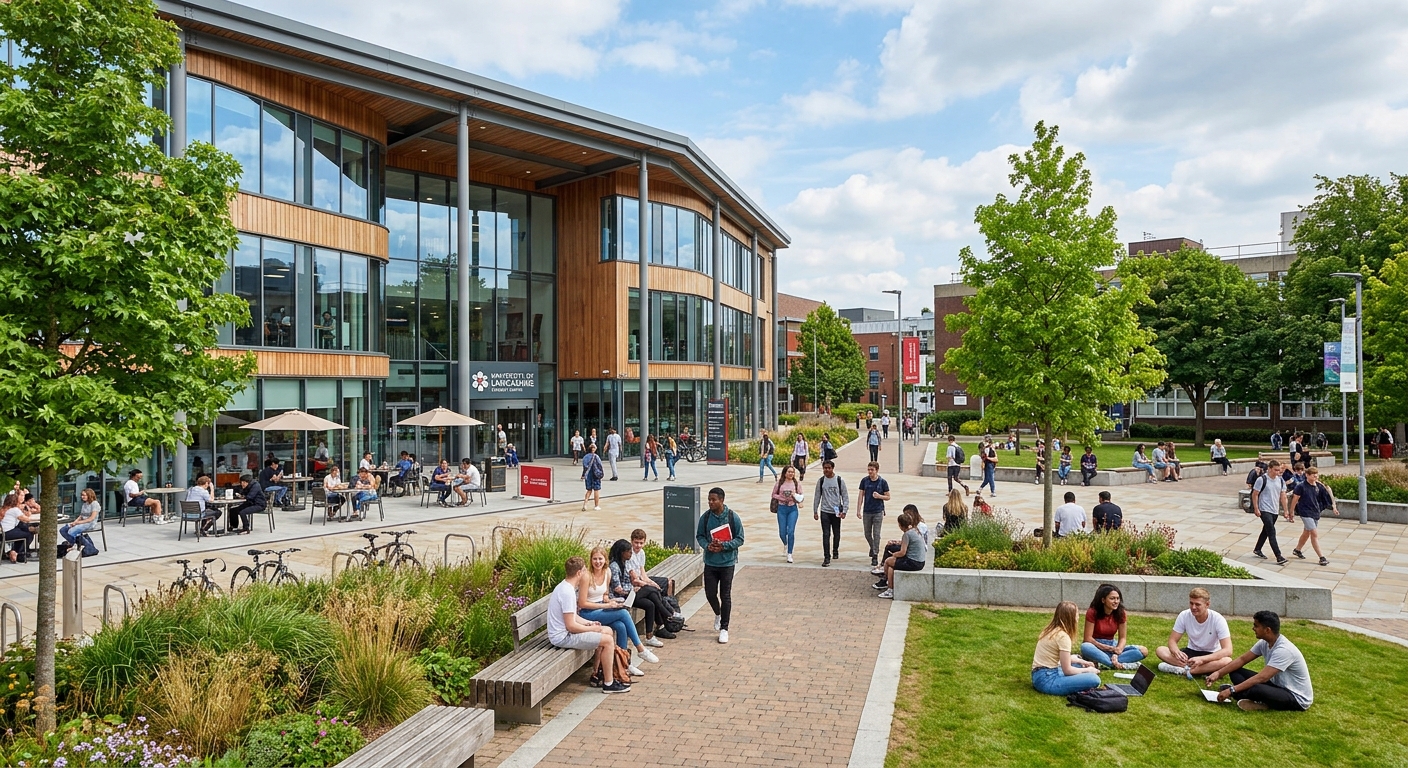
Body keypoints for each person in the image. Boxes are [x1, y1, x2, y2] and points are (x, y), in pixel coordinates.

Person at [548, 556, 629, 694]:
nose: (586, 572)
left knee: (608, 630)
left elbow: (572, 616)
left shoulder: (566, 586)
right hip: (562, 637)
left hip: (567, 632)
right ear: (579, 573)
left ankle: (598, 673)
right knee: (608, 640)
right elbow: (571, 626)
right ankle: (609, 684)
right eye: (584, 570)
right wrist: (592, 628)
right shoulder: (567, 592)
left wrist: (589, 623)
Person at [1206, 611, 1313, 711]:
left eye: (1256, 626)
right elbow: (1243, 659)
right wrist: (1218, 673)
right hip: (1276, 685)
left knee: (1257, 687)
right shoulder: (1264, 642)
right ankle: (1248, 696)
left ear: (1267, 630)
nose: (1253, 628)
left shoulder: (1284, 650)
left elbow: (1262, 677)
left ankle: (1250, 699)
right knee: (1235, 671)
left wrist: (1232, 690)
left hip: (1295, 697)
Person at [579, 546, 656, 676]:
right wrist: (605, 607)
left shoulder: (607, 572)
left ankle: (625, 665)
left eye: (600, 559)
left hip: (602, 608)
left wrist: (611, 602)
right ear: (591, 560)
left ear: (605, 560)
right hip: (587, 613)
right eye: (595, 559)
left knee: (621, 626)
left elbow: (604, 595)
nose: (598, 562)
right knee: (624, 613)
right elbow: (582, 603)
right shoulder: (587, 576)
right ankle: (640, 648)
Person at [695, 487, 743, 644]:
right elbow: (700, 536)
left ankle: (724, 628)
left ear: (722, 500)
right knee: (709, 593)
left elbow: (740, 539)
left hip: (727, 563)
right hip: (710, 562)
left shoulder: (732, 517)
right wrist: (707, 545)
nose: (710, 502)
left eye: (713, 500)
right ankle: (718, 613)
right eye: (709, 499)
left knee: (725, 595)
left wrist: (725, 545)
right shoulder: (706, 517)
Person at [1154, 587, 1234, 677]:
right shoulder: (1184, 615)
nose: (1193, 607)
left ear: (1207, 604)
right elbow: (1172, 641)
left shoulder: (1218, 619)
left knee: (1227, 661)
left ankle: (1186, 670)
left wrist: (1202, 659)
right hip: (1190, 652)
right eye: (1191, 603)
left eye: (1197, 604)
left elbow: (1228, 650)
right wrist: (1176, 652)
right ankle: (1198, 670)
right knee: (1160, 650)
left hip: (1210, 654)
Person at [1030, 601, 1102, 696]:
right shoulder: (1063, 637)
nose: (1078, 617)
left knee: (1079, 664)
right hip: (1047, 679)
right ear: (1071, 618)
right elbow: (1067, 670)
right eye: (1076, 615)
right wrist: (1088, 671)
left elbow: (1063, 658)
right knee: (1094, 679)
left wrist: (1082, 662)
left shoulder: (1051, 630)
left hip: (1039, 674)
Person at [609, 539, 671, 647]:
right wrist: (632, 590)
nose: (631, 553)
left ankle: (649, 636)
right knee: (650, 589)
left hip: (630, 593)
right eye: (629, 551)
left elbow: (634, 579)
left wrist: (635, 587)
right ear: (622, 552)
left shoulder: (625, 562)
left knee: (650, 604)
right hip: (622, 597)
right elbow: (617, 589)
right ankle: (667, 613)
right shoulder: (614, 566)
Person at [1079, 584, 1148, 670]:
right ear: (1103, 600)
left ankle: (1103, 663)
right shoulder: (1092, 612)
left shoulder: (1121, 613)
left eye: (1117, 598)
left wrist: (1117, 651)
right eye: (1112, 598)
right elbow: (1087, 638)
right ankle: (1117, 664)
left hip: (1113, 646)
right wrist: (1107, 648)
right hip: (1096, 646)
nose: (1116, 601)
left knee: (1143, 651)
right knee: (1085, 647)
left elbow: (1123, 638)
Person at [1289, 466, 1338, 566]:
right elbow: (1295, 499)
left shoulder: (1318, 486)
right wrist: (1291, 512)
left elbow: (1327, 497)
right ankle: (1321, 557)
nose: (1315, 476)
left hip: (1315, 512)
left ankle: (1297, 550)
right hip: (1305, 512)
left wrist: (1333, 507)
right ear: (1307, 475)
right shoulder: (1301, 486)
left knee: (1307, 532)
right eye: (1313, 475)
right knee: (1314, 533)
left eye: (1316, 474)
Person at [875, 512, 926, 599]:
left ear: (901, 525)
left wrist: (895, 555)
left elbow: (903, 552)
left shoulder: (906, 535)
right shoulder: (915, 530)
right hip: (920, 562)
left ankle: (888, 585)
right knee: (892, 566)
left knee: (888, 562)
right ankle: (889, 585)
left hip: (913, 562)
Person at [1251, 459, 1289, 564]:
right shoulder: (1262, 479)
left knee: (1266, 530)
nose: (1277, 472)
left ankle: (1257, 549)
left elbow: (1283, 496)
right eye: (1275, 470)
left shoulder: (1280, 480)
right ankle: (1279, 555)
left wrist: (1286, 511)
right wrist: (1256, 508)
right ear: (1270, 469)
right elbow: (1255, 494)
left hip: (1275, 510)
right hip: (1264, 509)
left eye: (1279, 470)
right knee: (1272, 532)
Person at [812, 459, 848, 567]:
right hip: (825, 511)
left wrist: (844, 510)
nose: (826, 470)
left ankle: (835, 550)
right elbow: (817, 496)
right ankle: (826, 557)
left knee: (836, 533)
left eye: (828, 468)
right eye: (825, 468)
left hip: (836, 512)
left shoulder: (839, 480)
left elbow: (845, 496)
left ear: (832, 468)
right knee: (826, 534)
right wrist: (815, 510)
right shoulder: (821, 481)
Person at [858, 461, 891, 567]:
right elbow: (861, 495)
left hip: (878, 511)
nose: (870, 472)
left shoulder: (882, 482)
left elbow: (888, 496)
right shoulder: (864, 481)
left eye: (872, 470)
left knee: (876, 534)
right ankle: (872, 547)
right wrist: (858, 509)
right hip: (867, 511)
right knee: (867, 533)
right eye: (868, 470)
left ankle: (875, 555)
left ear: (877, 470)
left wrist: (879, 496)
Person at [771, 464, 804, 563]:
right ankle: (785, 543)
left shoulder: (796, 483)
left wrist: (796, 497)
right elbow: (773, 494)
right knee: (782, 532)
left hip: (792, 508)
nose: (791, 474)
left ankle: (790, 553)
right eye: (789, 472)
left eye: (792, 472)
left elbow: (801, 495)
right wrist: (782, 498)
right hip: (782, 508)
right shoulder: (779, 483)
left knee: (791, 531)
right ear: (785, 473)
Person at [1, 493, 37, 562]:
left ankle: (13, 551)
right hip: (7, 533)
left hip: (2, 533)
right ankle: (19, 554)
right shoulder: (14, 510)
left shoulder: (3, 509)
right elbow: (26, 519)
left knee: (23, 530)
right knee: (29, 534)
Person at [581, 443, 604, 511]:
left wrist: (583, 475)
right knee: (596, 490)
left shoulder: (585, 457)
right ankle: (596, 505)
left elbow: (584, 467)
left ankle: (585, 504)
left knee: (589, 490)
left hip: (588, 475)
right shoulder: (596, 456)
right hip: (595, 475)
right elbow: (599, 465)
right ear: (593, 449)